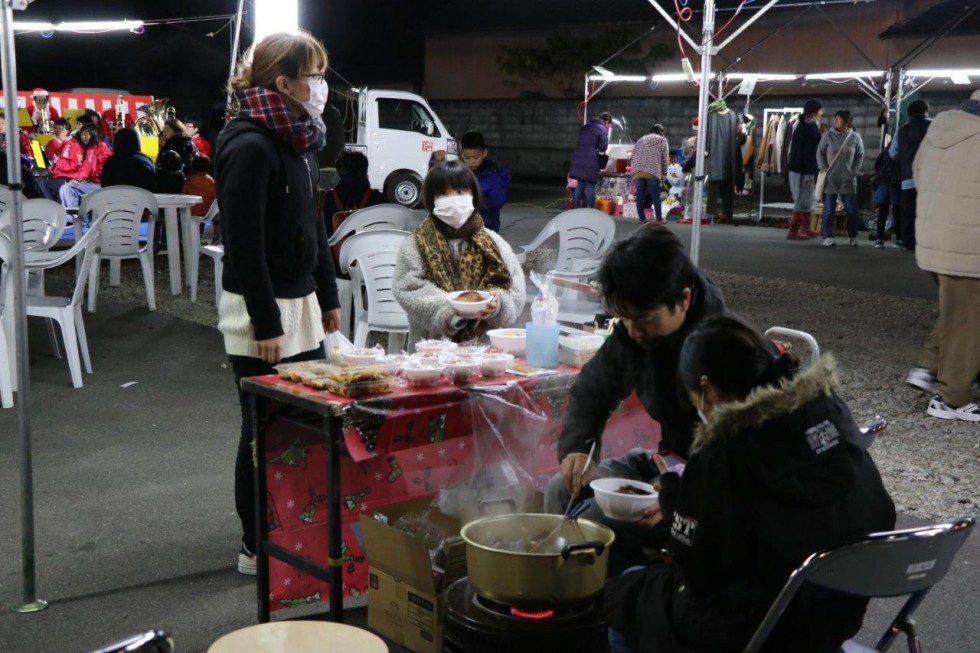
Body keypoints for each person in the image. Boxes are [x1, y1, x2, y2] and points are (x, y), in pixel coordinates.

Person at [604, 315, 896, 653]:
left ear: (707, 389)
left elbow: (700, 572)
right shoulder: (829, 410)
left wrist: (673, 499)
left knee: (623, 598)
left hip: (760, 627)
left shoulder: (727, 448)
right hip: (833, 615)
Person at [214, 30, 342, 575]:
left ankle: (293, 529)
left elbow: (312, 222)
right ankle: (254, 544)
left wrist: (329, 294)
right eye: (313, 76)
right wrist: (266, 322)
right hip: (258, 311)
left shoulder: (299, 140)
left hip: (303, 302)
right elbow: (242, 243)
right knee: (261, 430)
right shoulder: (247, 143)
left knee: (302, 425)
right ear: (283, 82)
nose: (322, 87)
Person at [544, 223, 726, 572]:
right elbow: (593, 390)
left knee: (595, 522)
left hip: (705, 485)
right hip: (665, 461)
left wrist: (678, 496)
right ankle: (575, 596)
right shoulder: (634, 333)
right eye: (623, 319)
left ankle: (618, 599)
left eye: (643, 319)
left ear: (683, 299)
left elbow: (743, 459)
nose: (632, 331)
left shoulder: (719, 347)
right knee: (559, 489)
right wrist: (579, 447)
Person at [905, 90, 980, 422]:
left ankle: (929, 367)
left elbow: (918, 174)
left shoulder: (938, 130)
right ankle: (952, 399)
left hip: (934, 239)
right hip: (969, 244)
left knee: (957, 310)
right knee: (969, 320)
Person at [392, 159, 525, 346]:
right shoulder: (415, 243)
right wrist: (449, 310)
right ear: (431, 200)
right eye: (444, 193)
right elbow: (406, 287)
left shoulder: (494, 242)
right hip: (431, 350)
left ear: (473, 195)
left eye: (461, 191)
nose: (453, 199)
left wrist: (497, 305)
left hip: (485, 350)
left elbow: (515, 290)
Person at [816, 109, 864, 247]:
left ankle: (853, 236)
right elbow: (819, 152)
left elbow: (860, 155)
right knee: (829, 209)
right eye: (835, 118)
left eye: (838, 119)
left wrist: (853, 172)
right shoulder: (828, 136)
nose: (835, 121)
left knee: (852, 210)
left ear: (847, 122)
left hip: (849, 181)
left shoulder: (855, 137)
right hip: (831, 179)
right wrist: (823, 168)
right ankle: (828, 236)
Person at [889, 99, 931, 251]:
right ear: (926, 110)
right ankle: (928, 243)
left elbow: (893, 154)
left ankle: (909, 243)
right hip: (931, 180)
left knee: (908, 213)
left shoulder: (902, 130)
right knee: (929, 213)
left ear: (908, 113)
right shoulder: (935, 127)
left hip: (908, 179)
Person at [785, 98, 822, 240]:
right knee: (801, 198)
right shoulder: (802, 127)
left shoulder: (809, 125)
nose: (821, 113)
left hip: (806, 168)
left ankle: (805, 228)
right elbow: (804, 152)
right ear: (814, 112)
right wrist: (811, 170)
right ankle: (794, 230)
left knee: (808, 198)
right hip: (801, 169)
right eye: (819, 110)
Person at [459, 130, 511, 232]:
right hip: (464, 227)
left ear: (484, 153)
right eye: (467, 158)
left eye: (476, 157)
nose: (471, 161)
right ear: (461, 155)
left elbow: (496, 201)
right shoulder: (459, 172)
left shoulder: (494, 173)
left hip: (488, 226)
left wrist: (473, 196)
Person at [59, 123, 112, 209]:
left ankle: (72, 217)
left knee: (69, 188)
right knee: (64, 187)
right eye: (82, 134)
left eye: (86, 134)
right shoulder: (86, 148)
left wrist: (85, 177)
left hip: (99, 184)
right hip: (90, 183)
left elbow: (104, 167)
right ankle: (70, 216)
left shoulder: (101, 146)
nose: (84, 137)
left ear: (93, 134)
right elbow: (85, 169)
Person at [568, 112, 610, 209]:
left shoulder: (586, 127)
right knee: (590, 184)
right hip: (590, 158)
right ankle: (591, 208)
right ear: (606, 121)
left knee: (580, 184)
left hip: (578, 156)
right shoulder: (602, 129)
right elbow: (603, 147)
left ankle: (575, 207)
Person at [631, 125, 670, 223]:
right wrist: (664, 176)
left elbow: (633, 155)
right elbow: (665, 160)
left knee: (640, 195)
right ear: (660, 132)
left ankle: (641, 218)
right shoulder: (662, 140)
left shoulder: (641, 140)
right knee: (655, 196)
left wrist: (634, 171)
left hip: (638, 171)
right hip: (652, 170)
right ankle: (659, 219)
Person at [100, 127, 156, 192]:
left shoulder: (110, 162)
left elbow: (105, 185)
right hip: (143, 200)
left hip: (116, 200)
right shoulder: (146, 160)